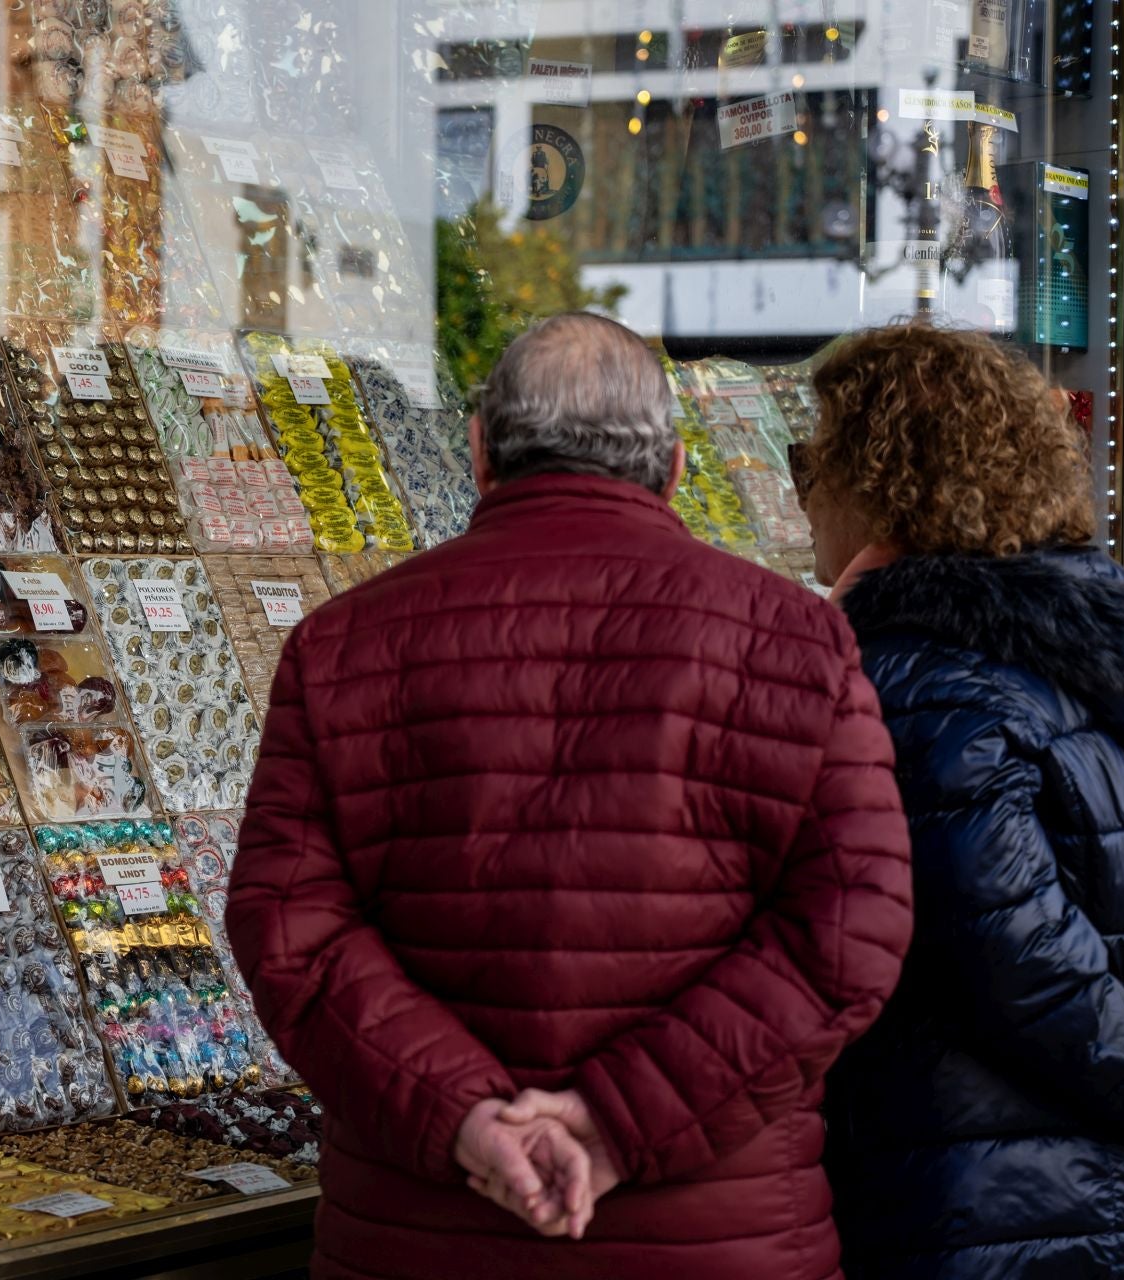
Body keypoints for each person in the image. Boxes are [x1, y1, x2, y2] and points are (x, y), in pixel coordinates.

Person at [226, 312, 915, 1279]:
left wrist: (465, 1116)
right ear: (674, 468)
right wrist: (612, 1121)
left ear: (480, 454)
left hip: (425, 1234)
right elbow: (852, 932)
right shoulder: (795, 640)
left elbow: (288, 926)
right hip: (714, 1239)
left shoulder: (342, 642)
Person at [796, 321, 1124, 1279]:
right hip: (1082, 1189)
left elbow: (1019, 961)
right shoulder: (1049, 657)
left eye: (809, 461)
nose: (801, 495)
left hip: (987, 1204)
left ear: (880, 484)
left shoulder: (926, 688)